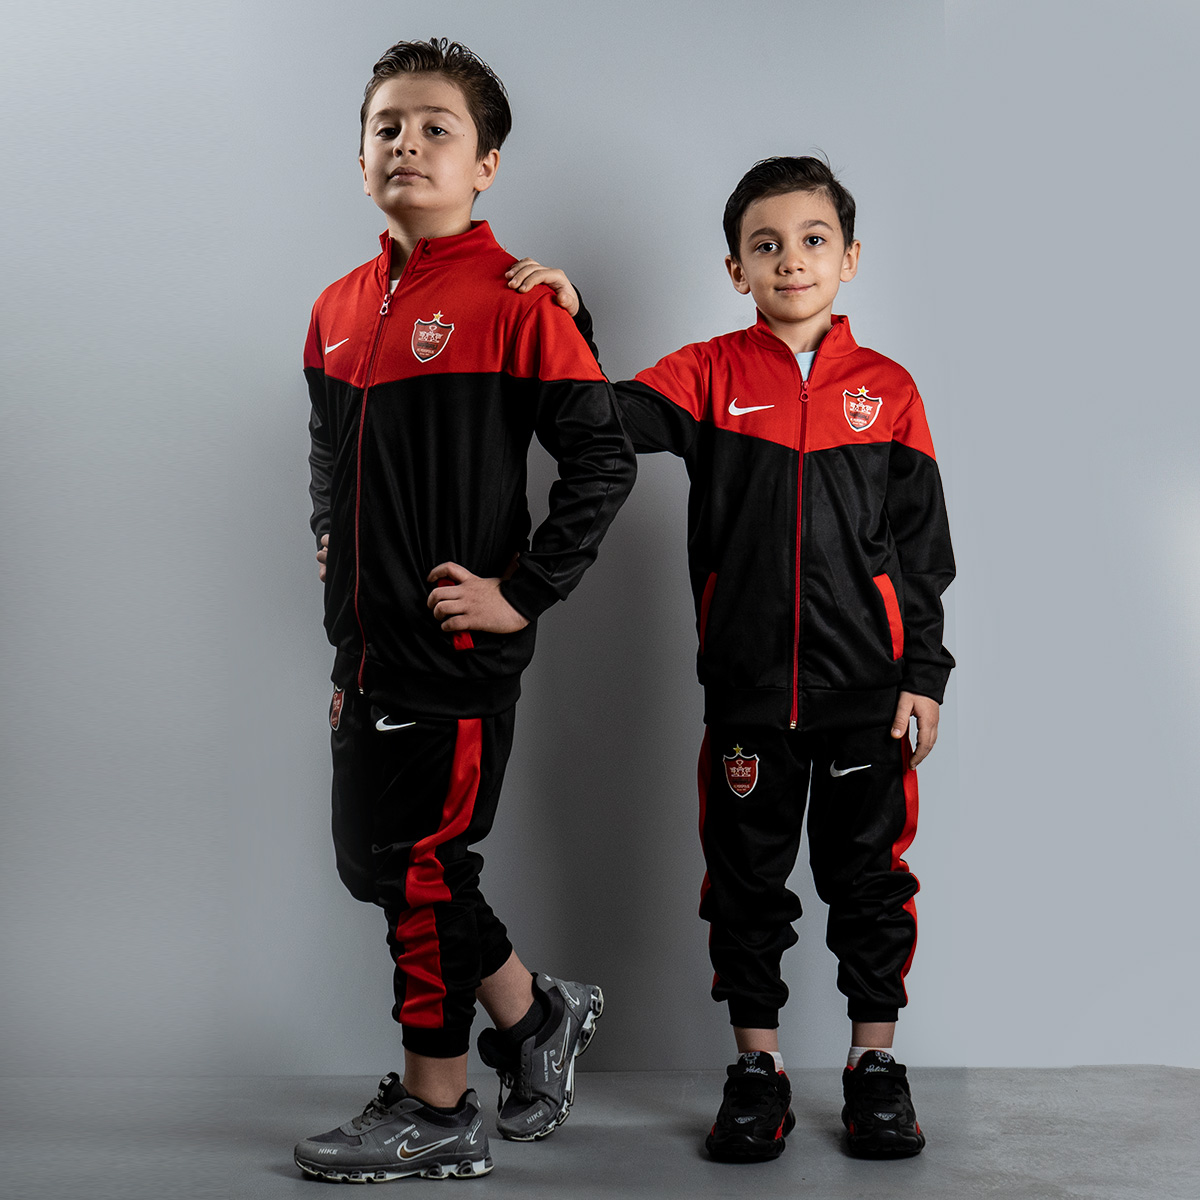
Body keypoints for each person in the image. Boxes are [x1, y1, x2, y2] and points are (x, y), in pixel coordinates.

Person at [508, 156, 954, 1162]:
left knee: (870, 883)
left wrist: (924, 676)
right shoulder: (709, 375)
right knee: (747, 887)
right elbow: (603, 418)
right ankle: (758, 1072)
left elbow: (922, 550)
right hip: (748, 697)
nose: (791, 259)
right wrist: (572, 324)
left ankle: (874, 1067)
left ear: (849, 258)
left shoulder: (888, 392)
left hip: (866, 696)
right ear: (735, 268)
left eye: (812, 240)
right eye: (766, 244)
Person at [293, 37, 635, 1183]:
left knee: (423, 867)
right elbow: (328, 457)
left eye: (437, 127)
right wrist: (334, 557)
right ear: (361, 156)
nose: (408, 143)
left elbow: (602, 459)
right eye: (387, 125)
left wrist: (522, 593)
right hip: (365, 649)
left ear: (485, 163)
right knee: (374, 865)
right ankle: (535, 1014)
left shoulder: (518, 304)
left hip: (453, 653)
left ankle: (436, 1108)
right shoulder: (335, 309)